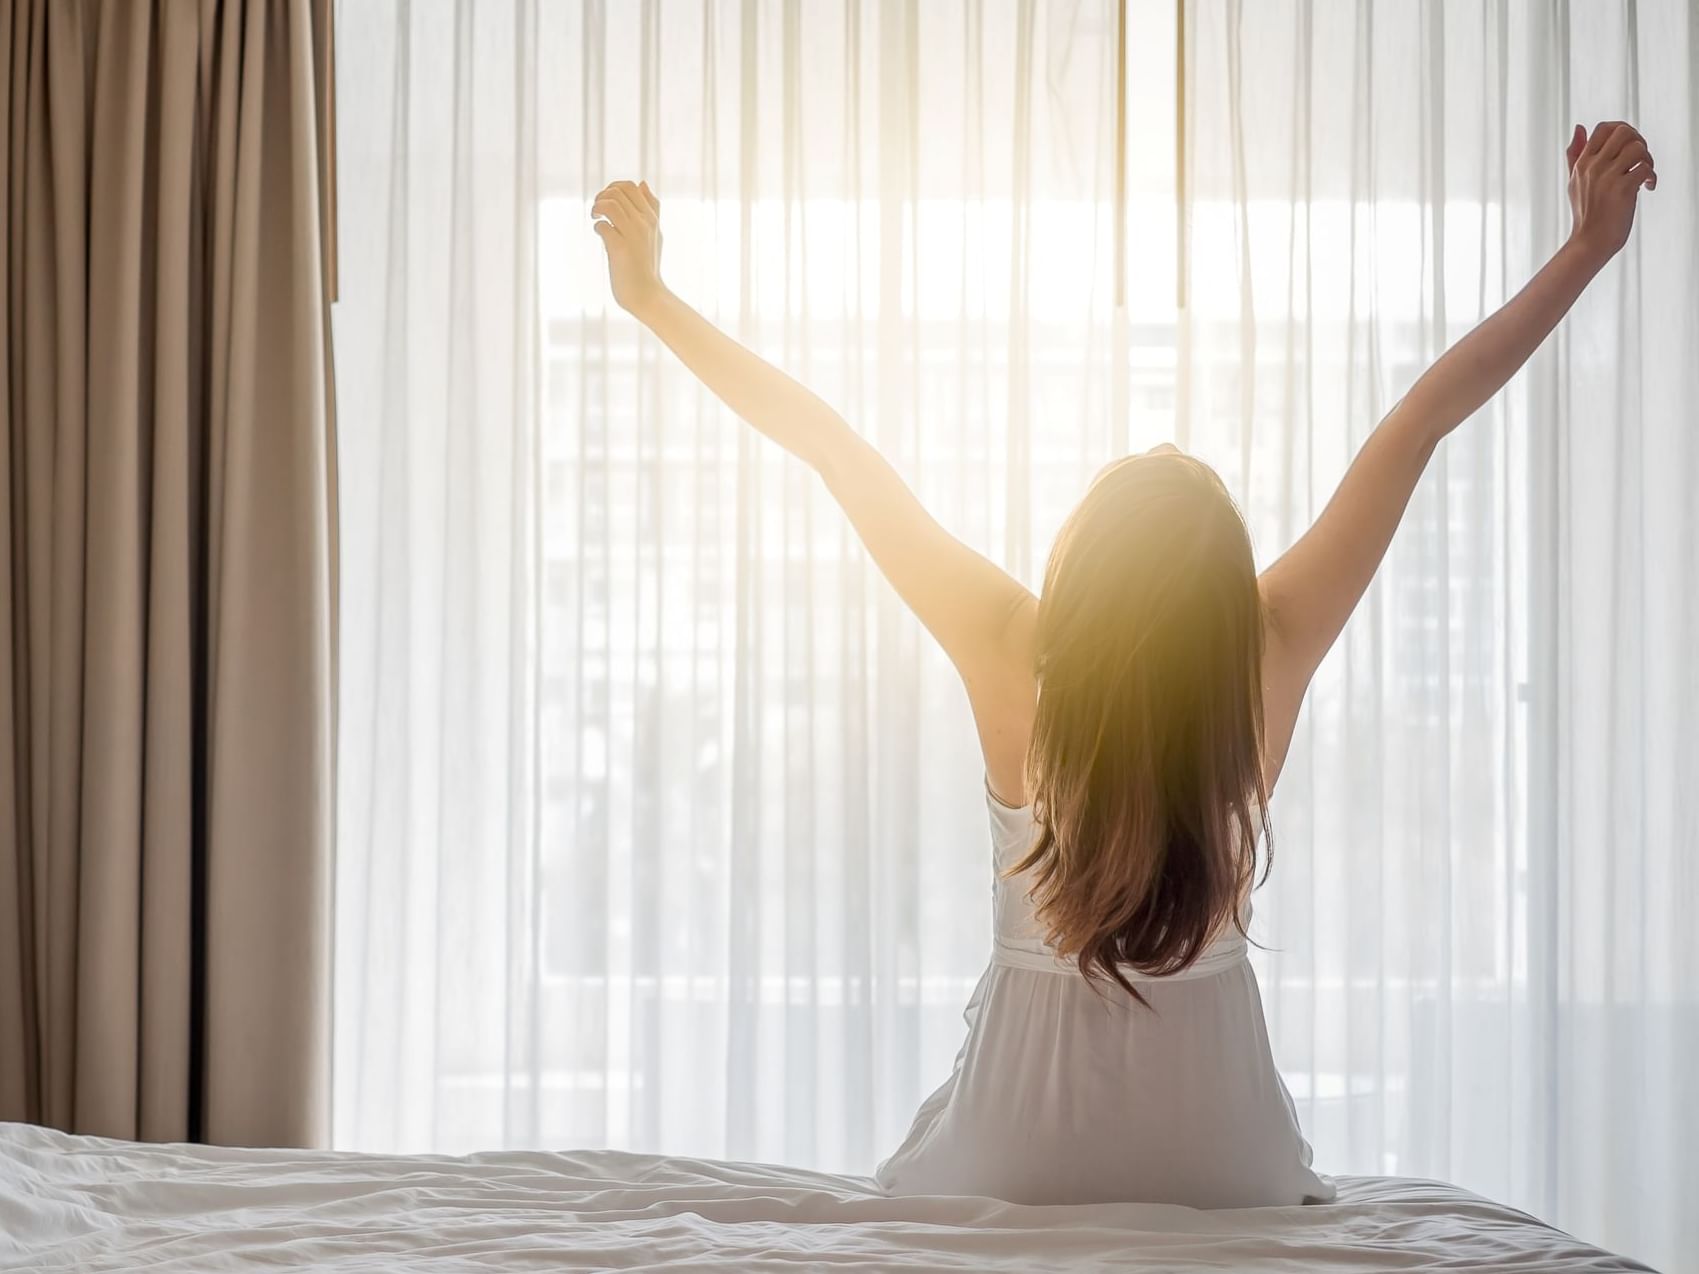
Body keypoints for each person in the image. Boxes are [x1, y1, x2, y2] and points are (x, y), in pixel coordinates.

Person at [590, 121, 1655, 1208]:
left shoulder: (1011, 647)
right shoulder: (1267, 650)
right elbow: (1422, 419)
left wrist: (652, 300)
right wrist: (1585, 248)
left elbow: (832, 446)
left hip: (1015, 1149)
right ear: (1218, 591)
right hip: (1223, 1154)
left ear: (1082, 569)